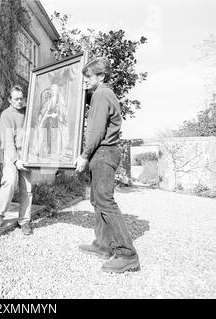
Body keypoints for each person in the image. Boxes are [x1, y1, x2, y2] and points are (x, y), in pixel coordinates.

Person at [74, 57, 140, 273]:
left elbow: (96, 131)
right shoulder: (102, 94)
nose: (85, 81)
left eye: (88, 76)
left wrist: (84, 155)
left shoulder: (101, 94)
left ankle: (127, 254)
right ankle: (102, 246)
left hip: (103, 152)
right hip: (102, 154)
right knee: (97, 200)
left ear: (101, 76)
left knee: (105, 201)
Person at [0, 85, 33, 235]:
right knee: (9, 182)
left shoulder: (28, 113)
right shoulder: (6, 114)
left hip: (27, 155)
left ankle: (24, 221)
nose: (19, 101)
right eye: (16, 99)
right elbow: (8, 141)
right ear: (10, 100)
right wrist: (16, 160)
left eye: (21, 99)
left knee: (27, 189)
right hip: (11, 154)